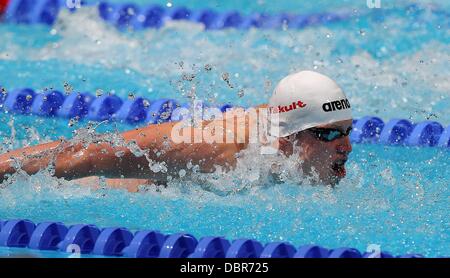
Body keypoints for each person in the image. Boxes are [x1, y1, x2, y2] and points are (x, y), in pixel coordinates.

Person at [0, 70, 353, 191]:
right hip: (113, 190)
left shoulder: (288, 135)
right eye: (329, 134)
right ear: (286, 139)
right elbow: (88, 154)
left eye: (347, 131)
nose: (346, 147)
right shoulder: (221, 146)